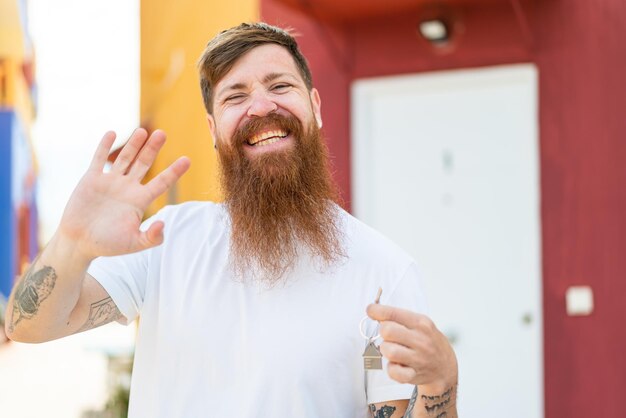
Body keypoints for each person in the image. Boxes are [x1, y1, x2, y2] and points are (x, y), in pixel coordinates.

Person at [4, 22, 458, 418]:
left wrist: (442, 386)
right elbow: (27, 326)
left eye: (280, 86)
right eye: (235, 96)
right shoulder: (166, 240)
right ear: (212, 132)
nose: (260, 107)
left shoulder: (384, 272)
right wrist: (72, 243)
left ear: (316, 108)